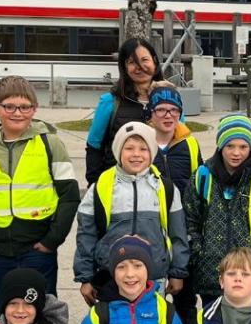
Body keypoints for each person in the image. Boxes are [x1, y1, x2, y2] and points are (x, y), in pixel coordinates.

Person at [0, 75, 79, 311]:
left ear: (34, 109)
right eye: (9, 107)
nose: (17, 113)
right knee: (6, 311)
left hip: (38, 249)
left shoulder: (50, 145)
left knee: (44, 311)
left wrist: (52, 240)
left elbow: (69, 196)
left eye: (25, 107)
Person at [73, 121, 189, 304]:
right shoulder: (100, 189)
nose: (136, 154)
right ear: (118, 151)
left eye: (143, 149)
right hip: (110, 277)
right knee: (113, 322)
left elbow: (178, 235)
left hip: (154, 277)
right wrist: (85, 277)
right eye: (129, 148)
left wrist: (178, 272)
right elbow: (86, 236)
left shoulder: (166, 189)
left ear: (152, 152)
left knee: (151, 321)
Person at [184, 115, 251, 313]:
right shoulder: (202, 176)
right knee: (212, 323)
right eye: (230, 146)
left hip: (245, 273)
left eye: (243, 147)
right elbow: (191, 218)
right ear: (220, 146)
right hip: (209, 271)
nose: (236, 153)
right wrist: (198, 253)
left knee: (245, 323)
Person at [85, 37, 165, 186]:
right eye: (132, 62)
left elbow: (179, 142)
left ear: (154, 61)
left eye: (144, 60)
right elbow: (94, 147)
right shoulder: (110, 101)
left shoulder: (170, 101)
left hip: (158, 187)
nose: (140, 67)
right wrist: (95, 185)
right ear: (124, 67)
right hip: (116, 186)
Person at [148, 83, 201, 191]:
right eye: (161, 110)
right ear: (150, 113)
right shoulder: (141, 144)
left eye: (174, 110)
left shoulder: (191, 144)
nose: (168, 115)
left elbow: (199, 182)